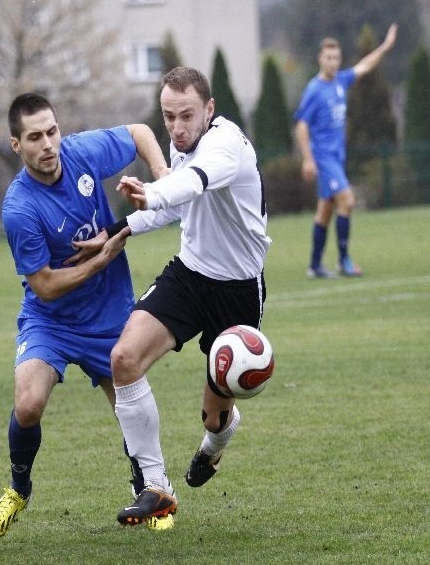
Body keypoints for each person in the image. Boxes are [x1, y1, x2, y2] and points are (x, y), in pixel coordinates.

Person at [77, 67, 270, 530]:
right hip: (188, 275)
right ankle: (155, 487)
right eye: (168, 117)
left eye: (187, 116)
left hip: (238, 291)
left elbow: (192, 184)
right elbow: (178, 207)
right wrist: (119, 229)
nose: (177, 128)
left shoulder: (228, 146)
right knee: (123, 358)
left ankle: (214, 445)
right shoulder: (180, 142)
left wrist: (151, 191)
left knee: (213, 415)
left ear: (209, 109)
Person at [0, 92, 168, 538]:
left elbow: (141, 133)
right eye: (34, 137)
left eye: (51, 131)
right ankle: (18, 490)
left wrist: (162, 180)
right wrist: (99, 261)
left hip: (109, 316)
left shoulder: (82, 152)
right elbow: (44, 285)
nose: (47, 144)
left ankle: (152, 491)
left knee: (129, 411)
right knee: (28, 404)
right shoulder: (19, 208)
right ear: (16, 145)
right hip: (52, 321)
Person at [294, 24, 397, 279]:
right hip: (324, 157)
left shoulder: (341, 80)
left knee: (326, 210)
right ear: (320, 59)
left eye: (337, 58)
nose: (334, 62)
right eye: (329, 58)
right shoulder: (314, 89)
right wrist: (308, 159)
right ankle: (344, 261)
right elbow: (301, 126)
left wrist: (384, 47)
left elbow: (365, 66)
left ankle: (315, 265)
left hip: (337, 157)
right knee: (348, 201)